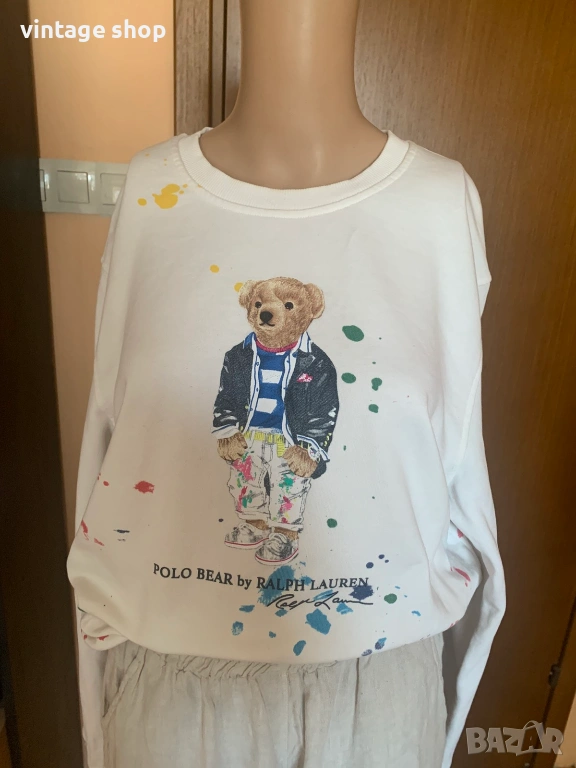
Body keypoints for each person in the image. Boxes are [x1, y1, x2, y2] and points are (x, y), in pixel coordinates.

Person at [67, 1, 506, 766]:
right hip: (175, 683)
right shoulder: (152, 194)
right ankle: (255, 524)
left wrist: (312, 447)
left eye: (284, 306)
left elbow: (453, 455)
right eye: (263, 306)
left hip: (377, 681)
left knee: (289, 491)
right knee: (250, 487)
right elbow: (108, 441)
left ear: (304, 309)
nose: (272, 314)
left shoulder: (439, 204)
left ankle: (278, 528)